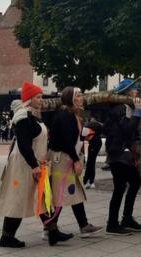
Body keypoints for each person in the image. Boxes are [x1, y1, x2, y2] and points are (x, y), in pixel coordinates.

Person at [0, 82, 69, 247]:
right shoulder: (23, 117)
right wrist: (34, 165)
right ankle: (6, 237)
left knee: (43, 198)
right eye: (38, 97)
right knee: (18, 198)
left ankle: (53, 232)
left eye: (41, 97)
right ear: (29, 99)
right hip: (23, 166)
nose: (41, 100)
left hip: (35, 165)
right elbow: (23, 145)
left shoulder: (34, 116)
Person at [46, 87, 103, 239]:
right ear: (70, 99)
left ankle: (81, 225)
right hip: (61, 158)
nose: (81, 98)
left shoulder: (73, 115)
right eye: (78, 95)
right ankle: (51, 228)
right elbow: (66, 141)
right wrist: (76, 160)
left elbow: (74, 138)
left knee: (72, 192)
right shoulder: (66, 116)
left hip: (65, 157)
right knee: (61, 193)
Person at [104, 79, 141, 235]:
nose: (137, 92)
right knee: (122, 187)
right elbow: (127, 129)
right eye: (135, 89)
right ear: (127, 92)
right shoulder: (121, 109)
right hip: (118, 153)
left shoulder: (125, 107)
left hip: (123, 153)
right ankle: (113, 223)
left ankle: (125, 218)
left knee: (133, 183)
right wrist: (137, 112)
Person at [83, 118, 103, 189]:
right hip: (97, 143)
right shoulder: (97, 125)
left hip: (93, 144)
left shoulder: (88, 126)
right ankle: (88, 180)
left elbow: (83, 136)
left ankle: (88, 181)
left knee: (90, 162)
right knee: (91, 162)